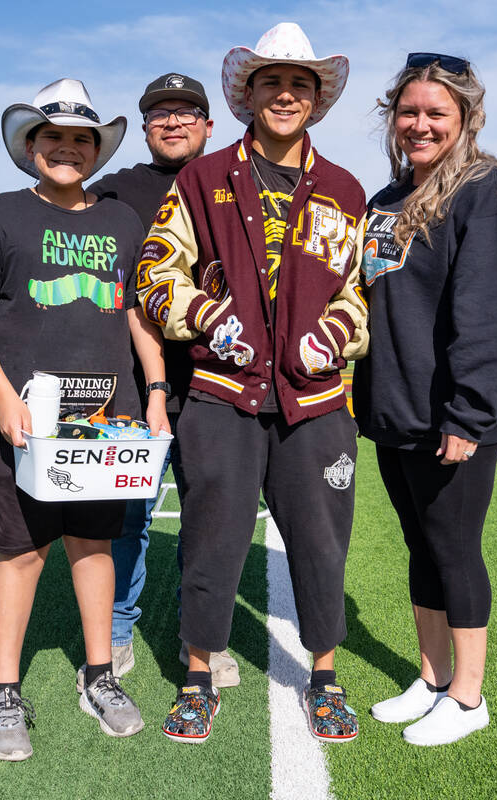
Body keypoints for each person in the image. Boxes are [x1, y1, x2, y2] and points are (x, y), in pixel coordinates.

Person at [0, 73, 243, 690]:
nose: (173, 122)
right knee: (125, 522)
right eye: (160, 113)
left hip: (217, 378)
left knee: (213, 518)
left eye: (187, 112)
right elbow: (50, 222)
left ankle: (202, 640)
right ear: (143, 128)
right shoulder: (115, 194)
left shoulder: (234, 179)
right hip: (128, 391)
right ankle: (114, 637)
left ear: (208, 122)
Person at [137, 22, 368, 744]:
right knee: (211, 542)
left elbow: (360, 294)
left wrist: (331, 334)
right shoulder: (201, 180)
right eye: (272, 82)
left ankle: (324, 679)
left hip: (318, 401)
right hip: (222, 396)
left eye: (300, 84)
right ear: (248, 94)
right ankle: (199, 679)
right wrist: (207, 316)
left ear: (317, 98)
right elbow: (153, 274)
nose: (286, 94)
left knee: (323, 546)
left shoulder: (344, 188)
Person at [0, 78, 170, 761]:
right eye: (54, 137)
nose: (67, 149)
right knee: (20, 553)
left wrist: (156, 390)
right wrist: (5, 396)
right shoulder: (3, 215)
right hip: (26, 425)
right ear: (30, 145)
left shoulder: (121, 221)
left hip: (107, 422)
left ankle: (99, 676)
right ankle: (5, 692)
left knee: (96, 549)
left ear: (98, 150)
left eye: (81, 139)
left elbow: (135, 313)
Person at [352, 52, 497, 747]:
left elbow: (485, 314)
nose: (420, 124)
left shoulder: (487, 193)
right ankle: (430, 679)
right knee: (419, 545)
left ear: (465, 119)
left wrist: (469, 415)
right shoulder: (384, 201)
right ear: (392, 116)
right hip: (396, 409)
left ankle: (469, 695)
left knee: (454, 547)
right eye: (409, 111)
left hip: (454, 416)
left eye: (436, 113)